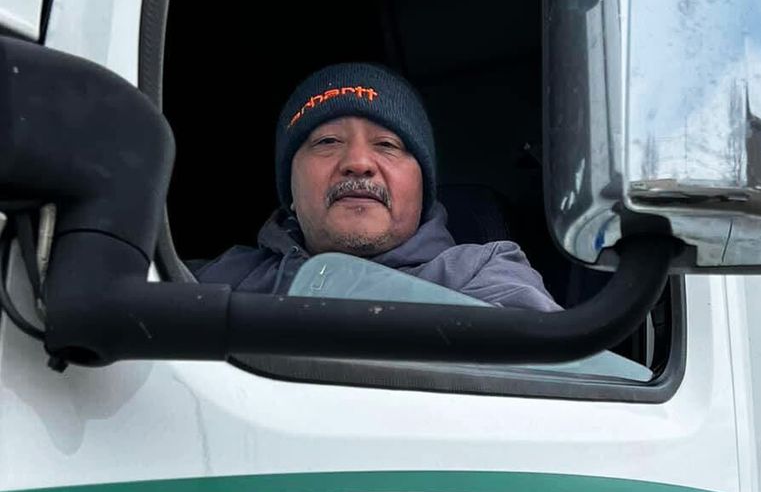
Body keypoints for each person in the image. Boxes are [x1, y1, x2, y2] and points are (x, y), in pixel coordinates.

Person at [192, 62, 560, 311]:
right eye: (327, 142)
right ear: (289, 185)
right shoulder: (219, 279)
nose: (358, 162)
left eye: (386, 145)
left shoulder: (482, 274)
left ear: (423, 190)